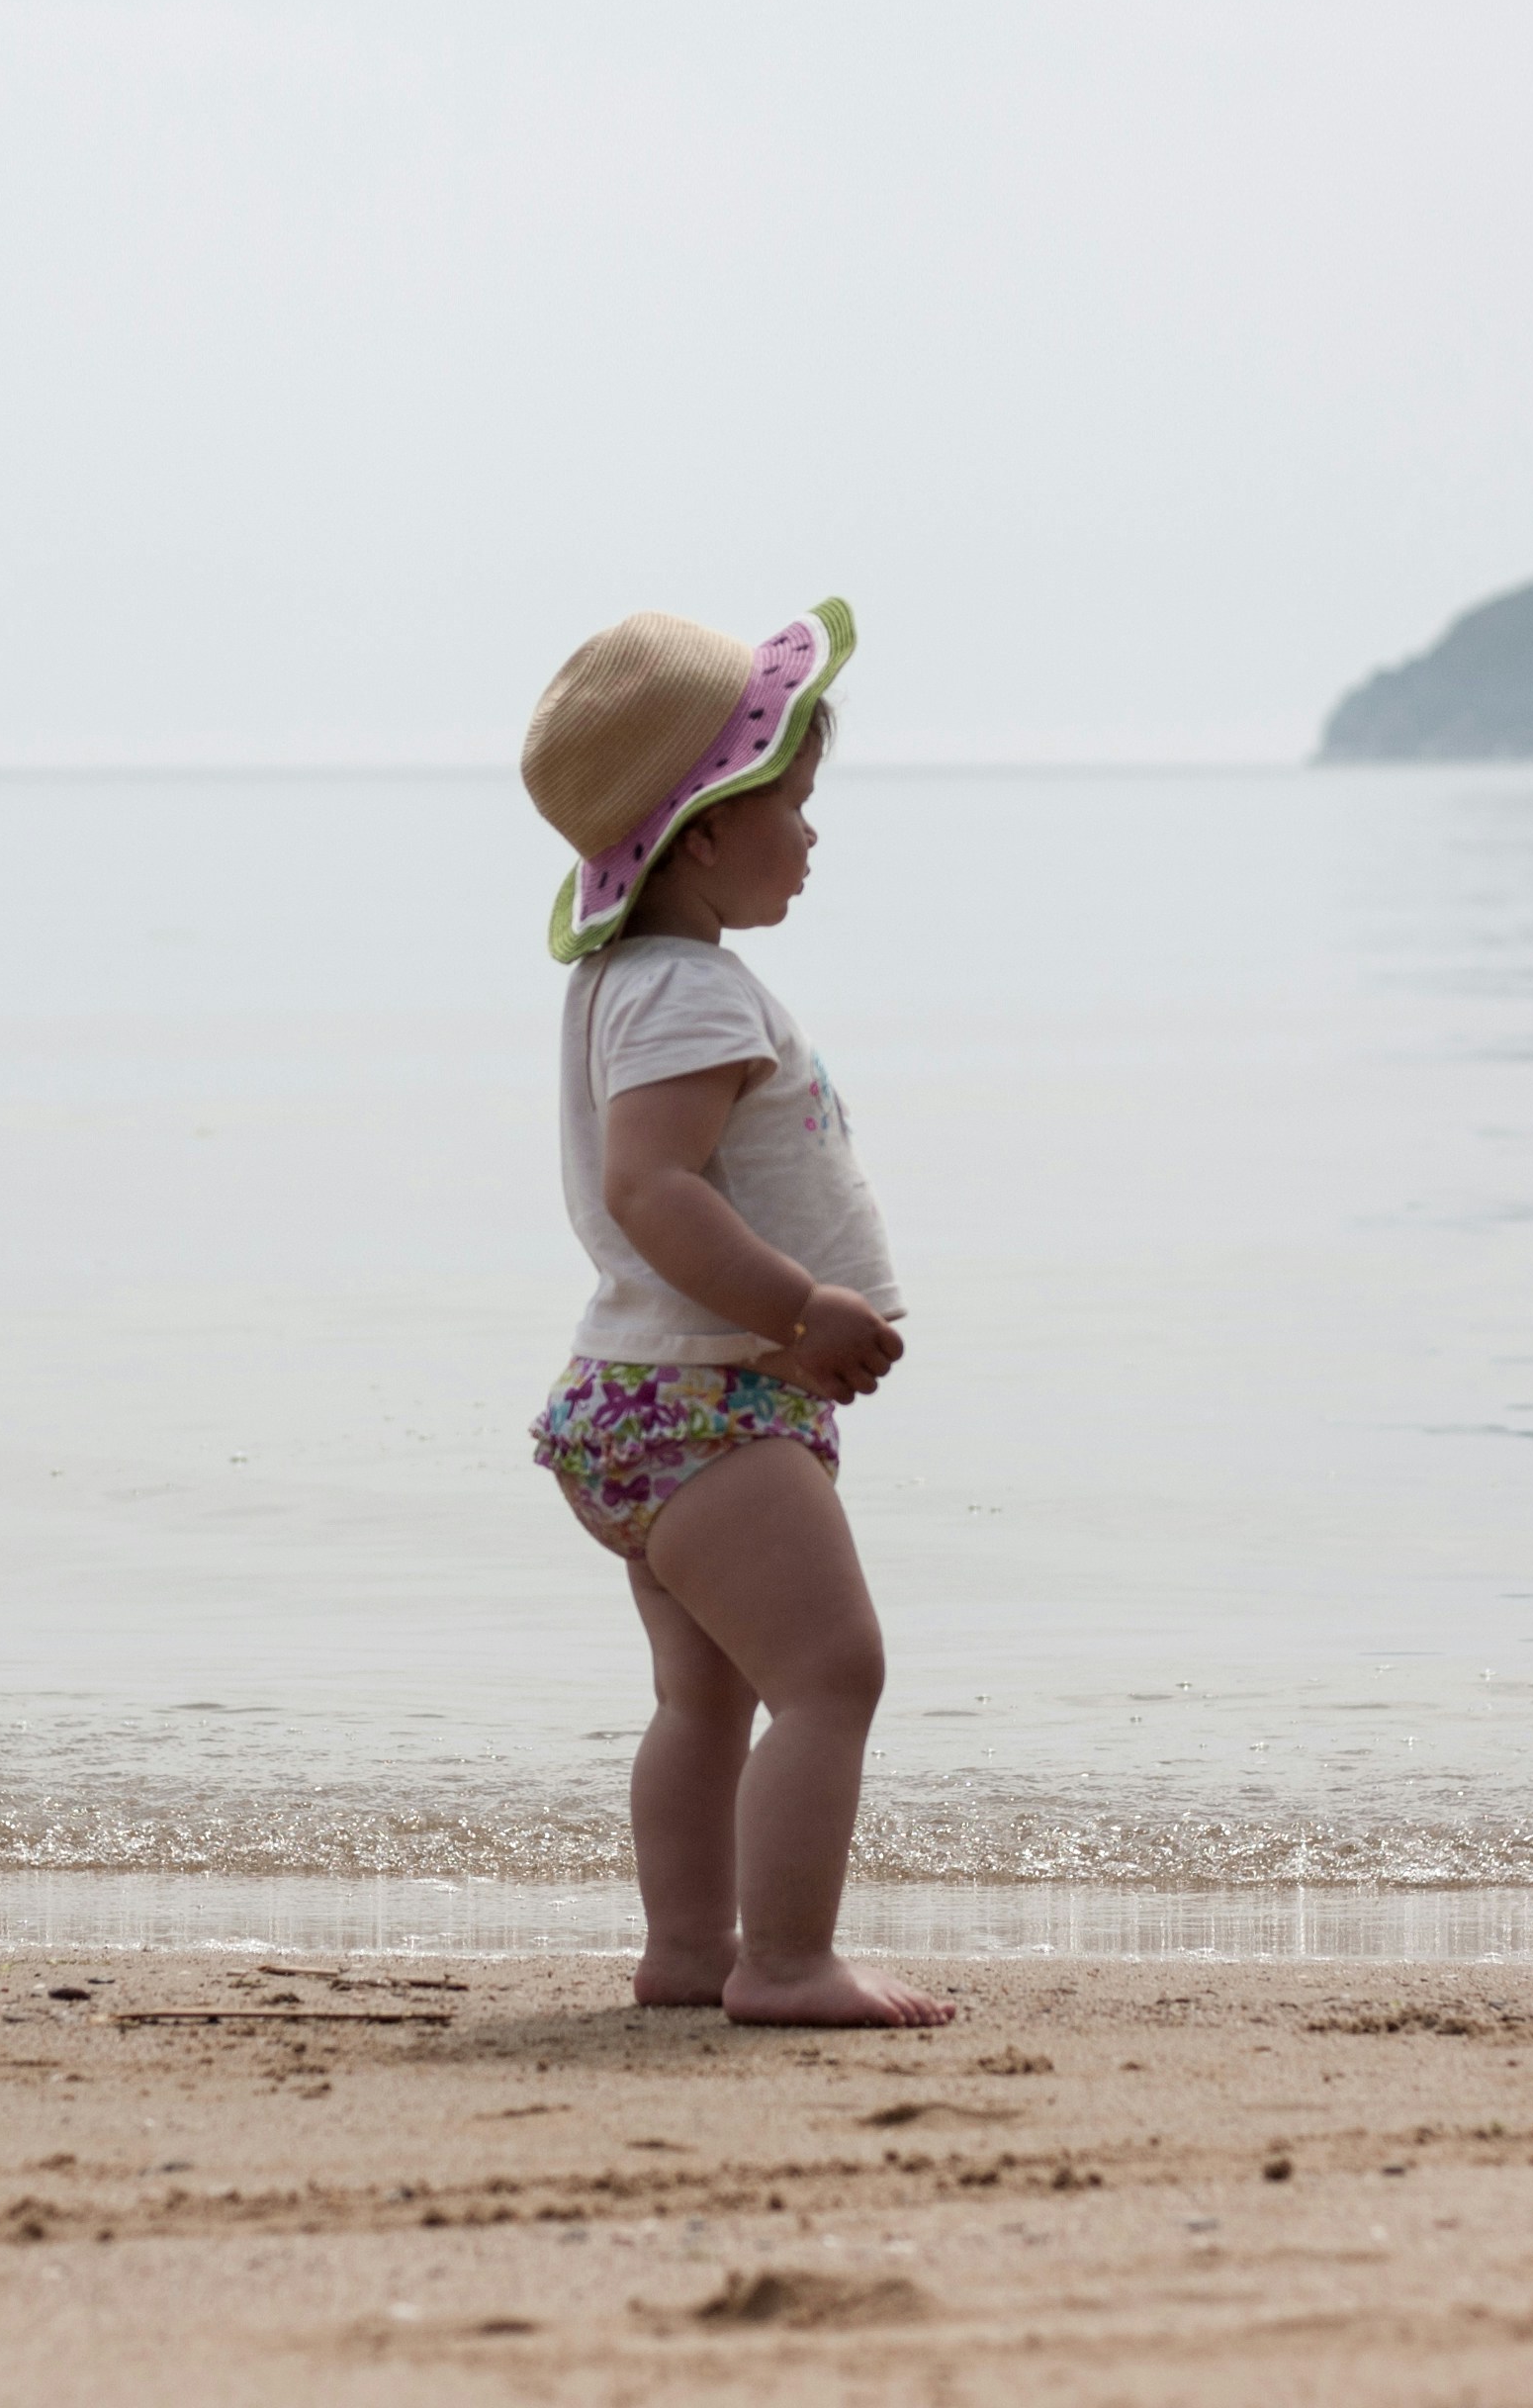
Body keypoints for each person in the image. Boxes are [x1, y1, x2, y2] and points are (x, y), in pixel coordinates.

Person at [520, 599, 954, 2029]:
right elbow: (656, 1189)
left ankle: (690, 1950)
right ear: (700, 831)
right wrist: (800, 1304)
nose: (813, 835)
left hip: (645, 1405)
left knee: (706, 1703)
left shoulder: (628, 984)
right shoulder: (691, 994)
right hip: (705, 1401)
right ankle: (783, 1961)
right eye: (793, 803)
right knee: (834, 1671)